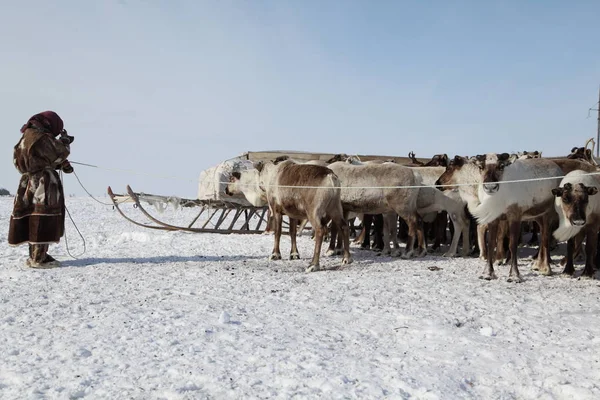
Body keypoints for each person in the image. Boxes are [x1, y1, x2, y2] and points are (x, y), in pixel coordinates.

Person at [8, 111, 75, 268]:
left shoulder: (27, 136)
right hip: (43, 183)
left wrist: (58, 164)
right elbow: (61, 151)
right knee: (43, 216)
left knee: (32, 216)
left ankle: (36, 255)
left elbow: (37, 159)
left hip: (27, 182)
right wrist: (64, 141)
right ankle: (39, 258)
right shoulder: (42, 138)